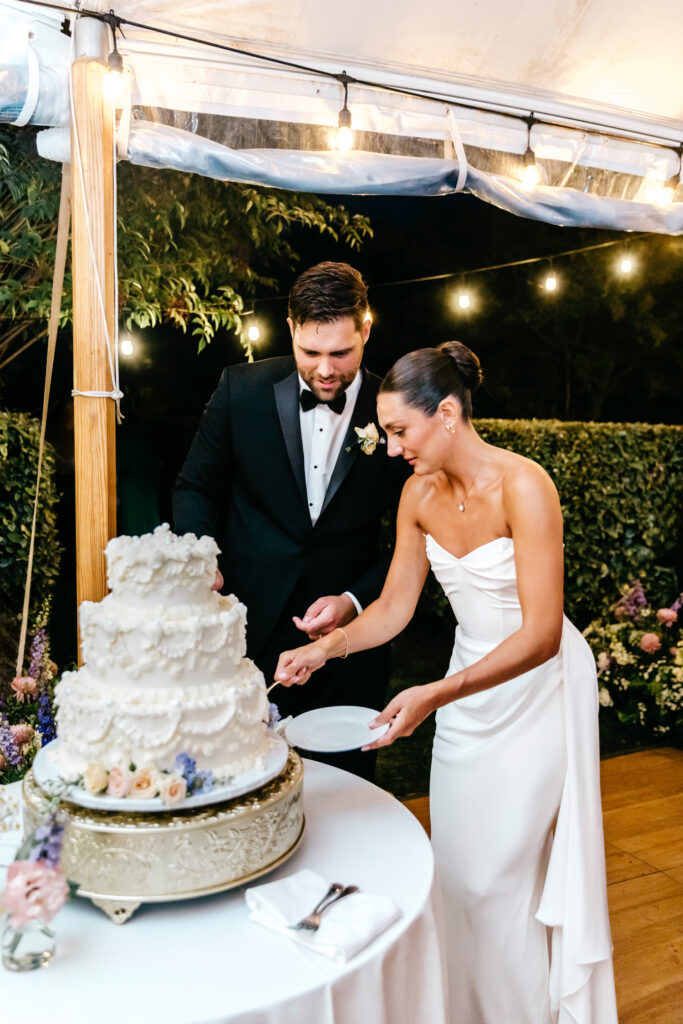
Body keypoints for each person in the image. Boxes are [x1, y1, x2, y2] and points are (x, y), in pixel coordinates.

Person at [274, 341, 618, 1024]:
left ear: (450, 414)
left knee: (499, 878)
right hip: (467, 694)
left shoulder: (526, 485)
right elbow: (396, 607)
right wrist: (329, 649)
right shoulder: (416, 495)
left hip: (538, 689)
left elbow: (542, 632)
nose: (392, 446)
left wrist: (436, 693)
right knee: (459, 876)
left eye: (401, 430)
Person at [172, 261, 408, 779]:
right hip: (247, 628)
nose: (326, 370)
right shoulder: (241, 389)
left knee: (346, 786)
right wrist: (202, 555)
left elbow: (413, 538)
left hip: (351, 643)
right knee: (242, 776)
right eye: (311, 352)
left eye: (342, 353)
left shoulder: (394, 406)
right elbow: (196, 487)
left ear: (366, 330)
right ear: (291, 330)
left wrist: (355, 600)